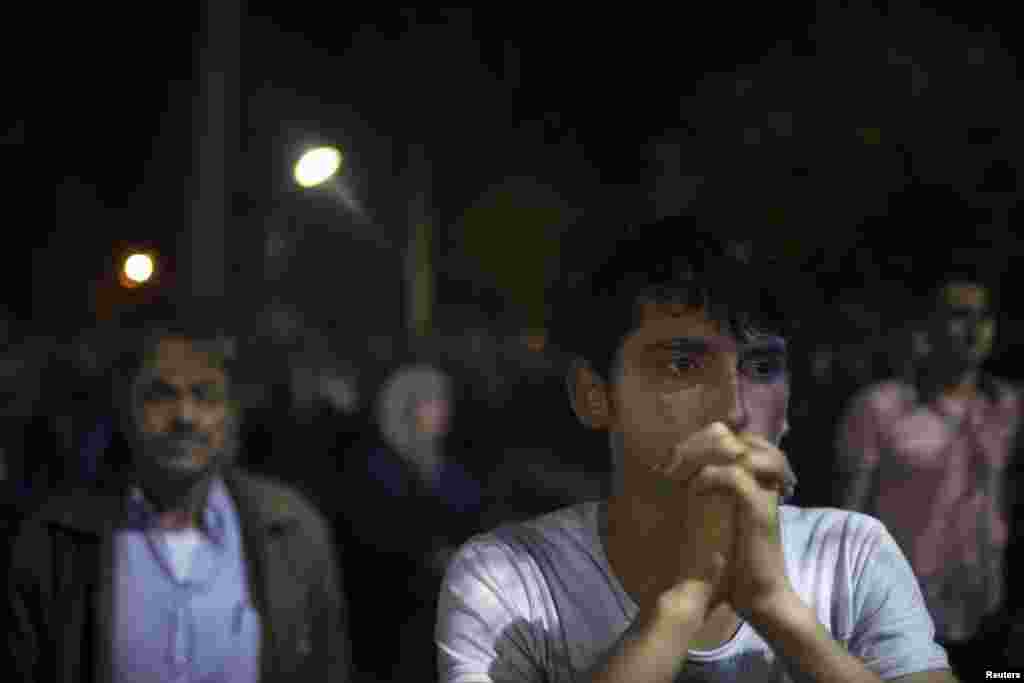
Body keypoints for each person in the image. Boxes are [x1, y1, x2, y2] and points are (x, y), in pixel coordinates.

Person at [436, 215, 955, 682]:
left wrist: (776, 607)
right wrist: (682, 602)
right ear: (593, 395)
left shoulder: (850, 554)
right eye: (682, 365)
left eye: (761, 368)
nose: (734, 409)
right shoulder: (510, 578)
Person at [4, 296, 352, 682]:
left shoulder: (292, 533)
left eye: (204, 395)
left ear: (230, 413)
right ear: (126, 406)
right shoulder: (56, 542)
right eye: (161, 394)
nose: (185, 416)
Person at [836, 277, 1020, 677]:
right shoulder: (880, 407)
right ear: (927, 327)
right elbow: (848, 517)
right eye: (959, 315)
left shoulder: (1006, 408)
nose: (974, 329)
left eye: (983, 317)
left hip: (985, 615)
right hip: (900, 617)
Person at [338, 360, 485, 682]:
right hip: (393, 621)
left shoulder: (451, 470)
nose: (443, 410)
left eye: (444, 400)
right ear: (407, 408)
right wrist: (429, 557)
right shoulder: (377, 471)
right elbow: (373, 544)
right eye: (432, 402)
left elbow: (473, 518)